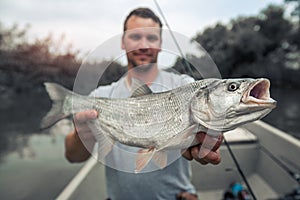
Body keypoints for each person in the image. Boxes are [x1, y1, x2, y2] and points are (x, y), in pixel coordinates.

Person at [65, 7, 223, 200]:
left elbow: (208, 129)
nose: (143, 45)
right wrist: (83, 134)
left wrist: (207, 137)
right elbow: (73, 156)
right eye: (135, 37)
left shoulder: (185, 86)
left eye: (151, 38)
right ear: (123, 42)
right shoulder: (101, 95)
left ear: (160, 43)